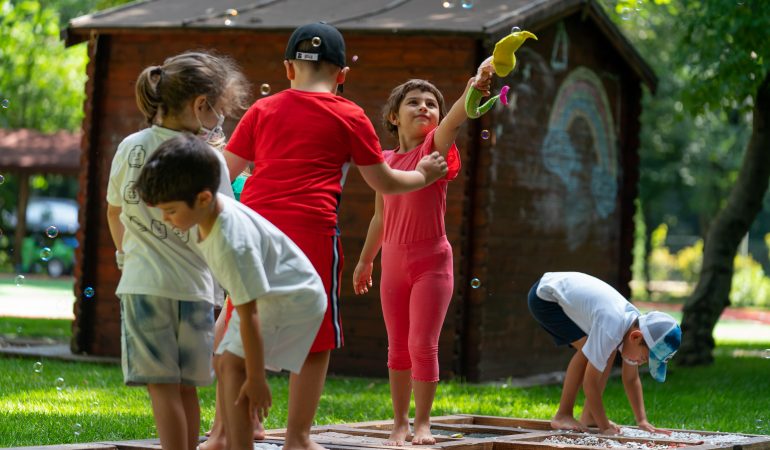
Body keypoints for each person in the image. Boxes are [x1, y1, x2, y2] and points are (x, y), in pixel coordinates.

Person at [223, 22, 448, 450]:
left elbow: (225, 174)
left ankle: (239, 429)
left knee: (241, 325)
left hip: (253, 232)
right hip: (311, 234)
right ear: (342, 75)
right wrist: (423, 174)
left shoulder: (262, 110)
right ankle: (297, 438)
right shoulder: (350, 114)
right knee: (316, 336)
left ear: (289, 68)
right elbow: (384, 181)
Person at [135, 133, 327, 450]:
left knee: (234, 367)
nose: (166, 220)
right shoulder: (206, 214)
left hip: (291, 296)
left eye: (170, 211)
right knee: (226, 363)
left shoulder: (230, 241)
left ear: (203, 199)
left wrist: (256, 378)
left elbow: (249, 311)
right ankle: (230, 442)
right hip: (275, 291)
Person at [105, 51, 249, 450]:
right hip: (198, 291)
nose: (220, 119)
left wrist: (124, 256)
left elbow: (114, 210)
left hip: (144, 287)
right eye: (219, 109)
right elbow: (223, 225)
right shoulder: (211, 159)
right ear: (201, 105)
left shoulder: (131, 147)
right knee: (186, 389)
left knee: (162, 388)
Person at [350, 68, 492, 445]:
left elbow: (456, 118)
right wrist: (366, 260)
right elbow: (380, 217)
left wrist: (472, 88)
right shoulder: (382, 162)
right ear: (394, 117)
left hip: (432, 263)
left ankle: (423, 423)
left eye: (431, 103)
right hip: (393, 264)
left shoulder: (434, 149)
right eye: (413, 102)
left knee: (422, 344)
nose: (424, 107)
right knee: (397, 345)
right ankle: (400, 422)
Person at [527, 271, 681, 435]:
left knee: (604, 351)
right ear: (636, 337)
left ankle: (589, 417)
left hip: (560, 294)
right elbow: (590, 383)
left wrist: (642, 420)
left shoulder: (633, 328)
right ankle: (563, 414)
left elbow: (631, 379)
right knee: (589, 350)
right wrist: (605, 427)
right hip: (546, 298)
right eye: (644, 358)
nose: (641, 363)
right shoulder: (612, 327)